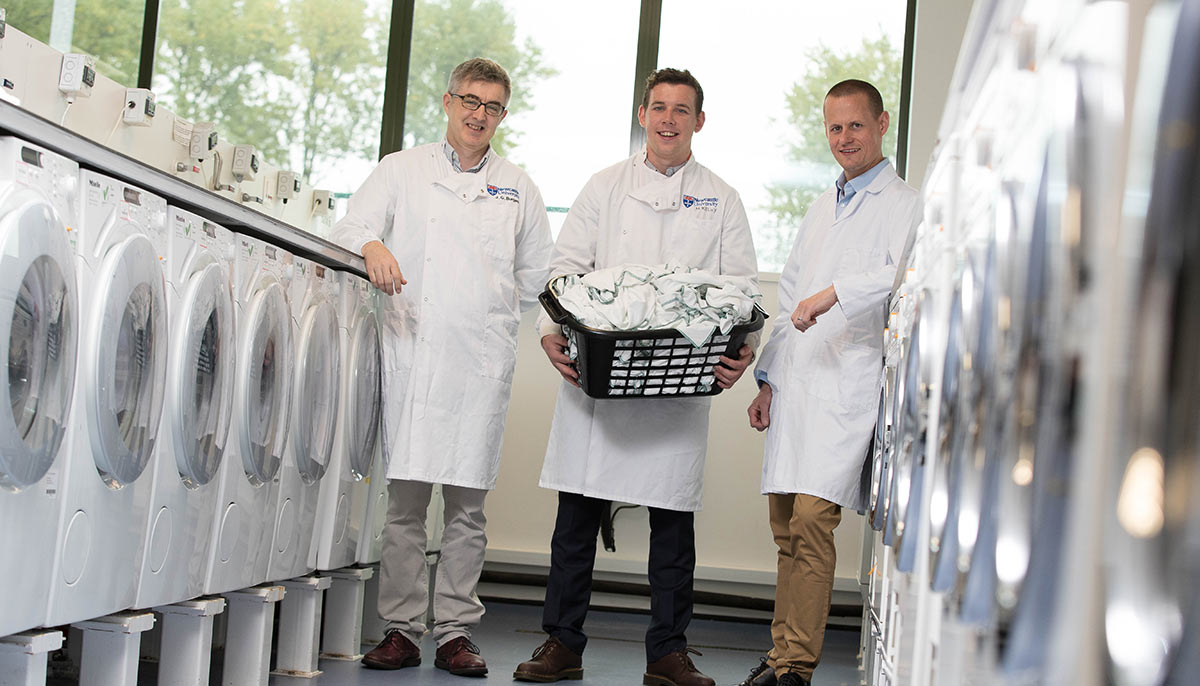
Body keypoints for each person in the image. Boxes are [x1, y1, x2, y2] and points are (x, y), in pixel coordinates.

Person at [513, 68, 758, 686]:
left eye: (682, 110)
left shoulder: (721, 197)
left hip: (678, 379)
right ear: (642, 115)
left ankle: (667, 654)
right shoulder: (604, 187)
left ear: (699, 121)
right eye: (659, 108)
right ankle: (561, 643)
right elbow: (565, 269)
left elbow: (742, 288)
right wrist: (550, 334)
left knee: (672, 521)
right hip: (603, 372)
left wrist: (743, 351)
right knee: (576, 518)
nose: (669, 119)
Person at [330, 57, 552, 677]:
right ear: (449, 102)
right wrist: (372, 245)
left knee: (467, 511)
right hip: (414, 353)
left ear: (503, 114)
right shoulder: (401, 170)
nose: (480, 115)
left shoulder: (518, 186)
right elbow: (351, 224)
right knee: (403, 506)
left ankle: (455, 630)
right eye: (470, 102)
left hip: (480, 364)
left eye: (493, 106)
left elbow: (543, 277)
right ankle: (399, 627)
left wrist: (559, 333)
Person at [734, 80, 922, 686]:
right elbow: (789, 293)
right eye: (835, 128)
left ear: (882, 124)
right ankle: (780, 650)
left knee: (814, 520)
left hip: (849, 383)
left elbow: (895, 276)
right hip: (798, 383)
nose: (845, 138)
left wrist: (835, 293)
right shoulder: (821, 206)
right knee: (786, 525)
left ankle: (796, 665)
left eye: (856, 126)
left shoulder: (905, 204)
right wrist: (766, 379)